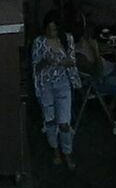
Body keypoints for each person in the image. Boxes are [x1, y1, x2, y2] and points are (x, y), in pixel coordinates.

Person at [31, 15, 80, 170]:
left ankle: (67, 152)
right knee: (50, 120)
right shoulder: (39, 42)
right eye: (49, 29)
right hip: (45, 84)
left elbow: (72, 61)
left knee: (64, 122)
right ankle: (55, 150)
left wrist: (58, 61)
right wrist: (45, 61)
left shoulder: (67, 39)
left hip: (62, 82)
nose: (51, 32)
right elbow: (36, 67)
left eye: (54, 29)